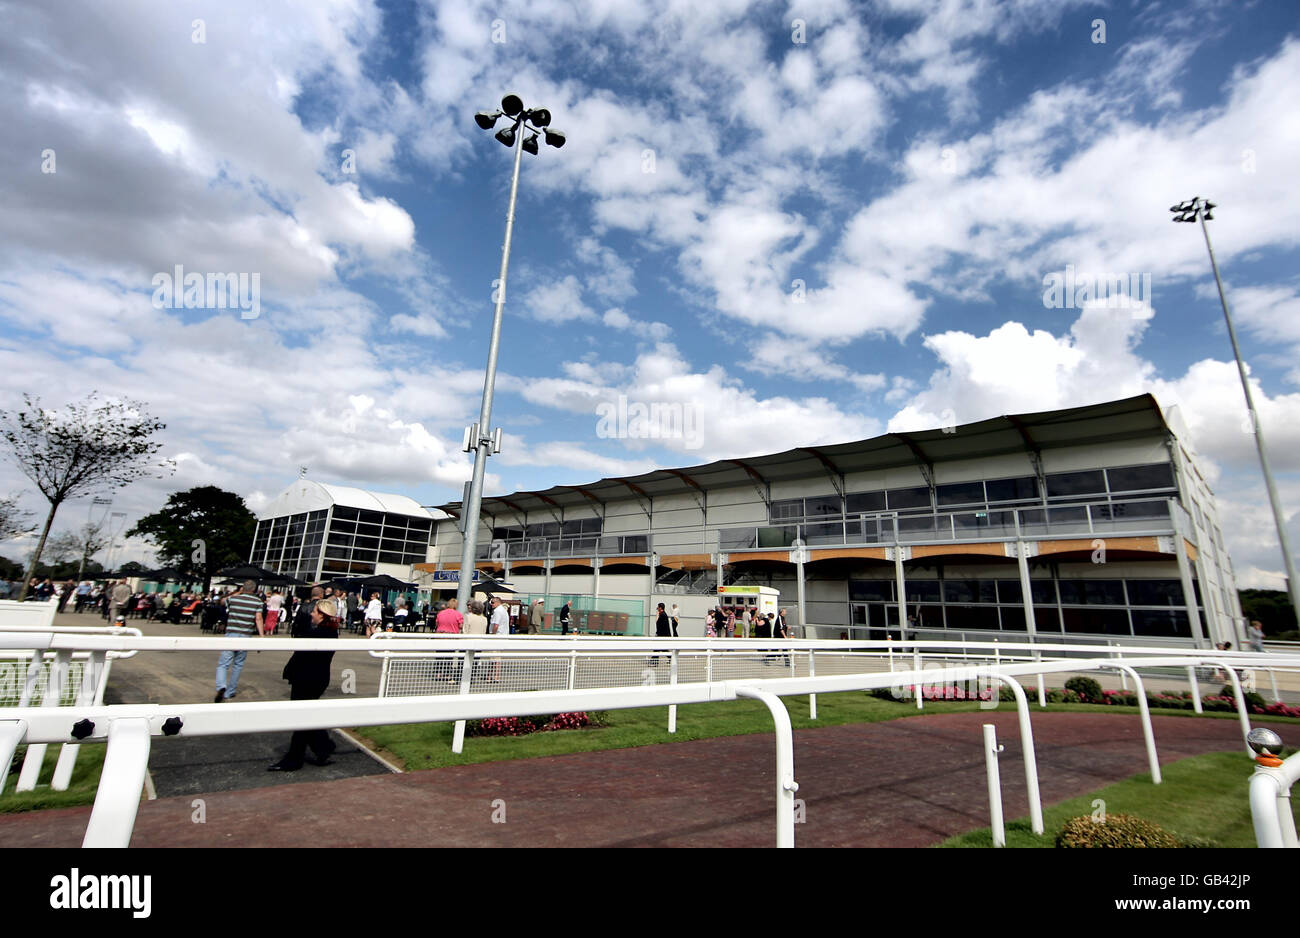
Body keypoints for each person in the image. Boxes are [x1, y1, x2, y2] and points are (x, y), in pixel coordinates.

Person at [268, 598, 340, 772]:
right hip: (311, 678)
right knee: (306, 715)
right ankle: (323, 746)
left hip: (309, 679)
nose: (311, 614)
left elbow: (301, 643)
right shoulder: (326, 632)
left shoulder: (320, 633)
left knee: (301, 718)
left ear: (322, 616)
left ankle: (294, 758)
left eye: (315, 612)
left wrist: (301, 624)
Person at [216, 579, 264, 702]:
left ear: (243, 588)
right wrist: (261, 636)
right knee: (238, 664)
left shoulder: (234, 599)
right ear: (254, 590)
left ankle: (221, 686)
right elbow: (258, 619)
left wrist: (237, 592)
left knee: (223, 664)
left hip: (231, 633)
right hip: (245, 635)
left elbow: (222, 601)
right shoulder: (258, 602)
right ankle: (230, 691)